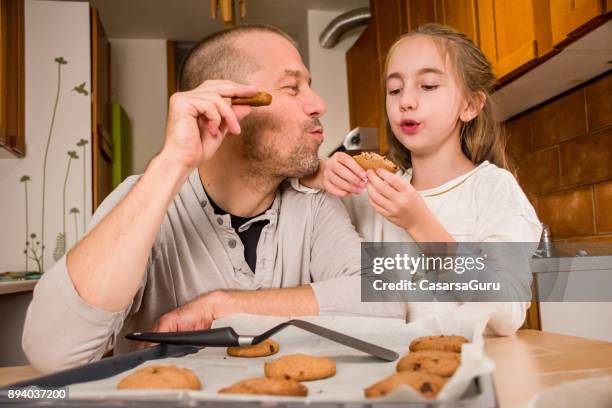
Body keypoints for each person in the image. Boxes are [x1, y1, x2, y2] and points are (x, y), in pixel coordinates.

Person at [22, 24, 404, 374]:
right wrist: (172, 162)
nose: (318, 103)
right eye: (292, 88)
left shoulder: (312, 201)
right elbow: (52, 354)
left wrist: (222, 305)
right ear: (228, 103)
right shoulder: (147, 198)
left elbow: (387, 300)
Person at [300, 24, 542, 332]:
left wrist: (418, 223)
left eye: (427, 86)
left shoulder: (494, 189)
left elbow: (506, 311)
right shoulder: (369, 192)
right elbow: (293, 198)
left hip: (469, 370)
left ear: (469, 105)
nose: (406, 102)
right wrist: (322, 172)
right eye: (395, 89)